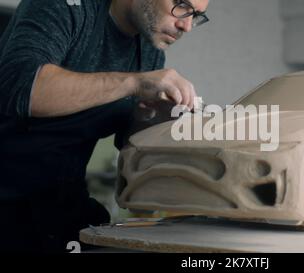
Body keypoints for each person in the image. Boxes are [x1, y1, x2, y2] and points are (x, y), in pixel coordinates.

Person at [0, 0, 209, 252]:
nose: (186, 25)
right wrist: (134, 83)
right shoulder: (65, 7)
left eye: (196, 15)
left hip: (61, 203)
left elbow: (129, 147)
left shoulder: (149, 51)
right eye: (182, 5)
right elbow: (23, 88)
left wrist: (155, 122)